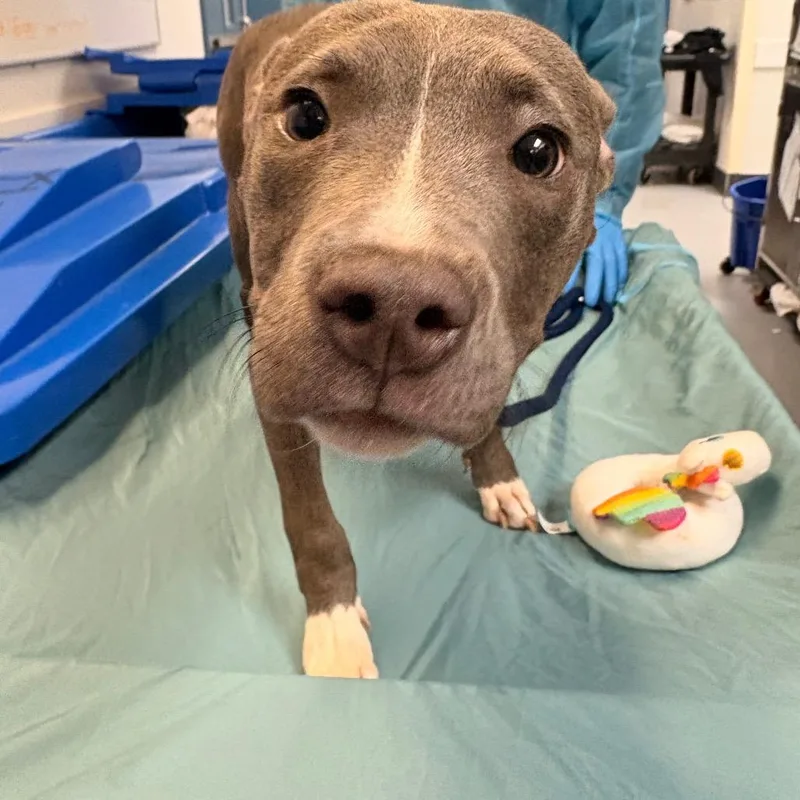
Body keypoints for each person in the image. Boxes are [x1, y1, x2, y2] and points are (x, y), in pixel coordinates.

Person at [280, 0, 666, 306]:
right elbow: (310, 36)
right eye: (306, 120)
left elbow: (627, 55)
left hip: (520, 171)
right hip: (347, 153)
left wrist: (600, 202)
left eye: (538, 156)